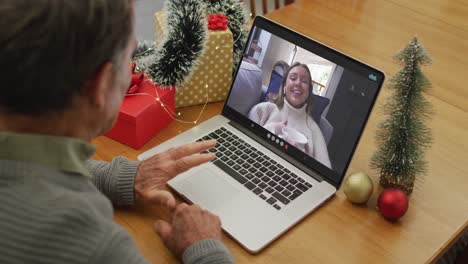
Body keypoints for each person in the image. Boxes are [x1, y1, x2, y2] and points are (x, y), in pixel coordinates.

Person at [0, 1, 233, 263]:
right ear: (100, 85)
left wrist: (123, 177)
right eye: (130, 57)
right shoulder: (96, 246)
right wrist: (204, 247)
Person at [248, 62, 331, 168]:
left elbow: (325, 171)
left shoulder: (315, 130)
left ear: (309, 93)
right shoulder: (263, 110)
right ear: (284, 86)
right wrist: (270, 129)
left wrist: (304, 160)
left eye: (304, 81)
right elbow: (246, 143)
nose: (298, 83)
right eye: (293, 78)